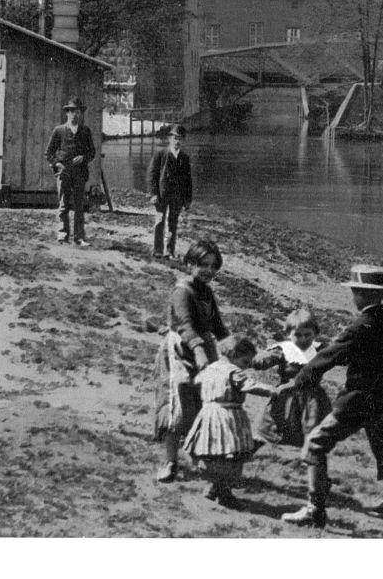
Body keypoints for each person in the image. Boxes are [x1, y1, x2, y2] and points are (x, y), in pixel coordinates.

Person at [281, 263, 383, 535]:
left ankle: (315, 509)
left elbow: (327, 357)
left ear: (360, 294)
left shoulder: (359, 326)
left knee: (316, 444)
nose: (353, 296)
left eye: (354, 291)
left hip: (355, 403)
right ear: (382, 294)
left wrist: (299, 381)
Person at [153, 238, 230, 482]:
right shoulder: (182, 291)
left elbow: (217, 326)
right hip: (180, 351)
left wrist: (234, 347)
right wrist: (198, 349)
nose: (208, 271)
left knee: (201, 402)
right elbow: (184, 324)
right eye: (203, 265)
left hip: (203, 350)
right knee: (175, 403)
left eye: (213, 266)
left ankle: (198, 454)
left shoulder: (206, 292)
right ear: (189, 264)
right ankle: (169, 460)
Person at [184, 335, 276, 507]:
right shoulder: (233, 372)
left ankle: (213, 487)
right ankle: (224, 493)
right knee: (231, 454)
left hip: (209, 414)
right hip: (228, 417)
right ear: (234, 354)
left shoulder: (209, 369)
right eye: (245, 361)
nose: (246, 366)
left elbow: (196, 382)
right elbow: (249, 385)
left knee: (215, 453)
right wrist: (272, 390)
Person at [252, 307, 329, 448]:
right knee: (268, 429)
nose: (303, 339)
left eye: (308, 335)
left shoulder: (320, 349)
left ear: (315, 333)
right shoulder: (284, 350)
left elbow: (338, 356)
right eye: (298, 335)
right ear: (289, 334)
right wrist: (262, 359)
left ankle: (304, 464)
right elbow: (262, 362)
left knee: (312, 438)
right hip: (286, 396)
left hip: (312, 399)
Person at [44, 98, 98, 245]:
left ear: (81, 114)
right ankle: (62, 235)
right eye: (72, 111)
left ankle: (79, 237)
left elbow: (92, 152)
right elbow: (48, 153)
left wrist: (83, 157)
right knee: (63, 205)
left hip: (80, 173)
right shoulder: (59, 130)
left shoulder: (85, 131)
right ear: (67, 113)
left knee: (79, 206)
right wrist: (57, 164)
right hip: (64, 173)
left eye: (78, 111)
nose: (75, 114)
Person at [148, 125, 195, 260]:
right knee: (159, 221)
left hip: (177, 196)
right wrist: (153, 194)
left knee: (173, 224)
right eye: (175, 138)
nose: (177, 141)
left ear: (183, 140)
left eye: (180, 138)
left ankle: (169, 251)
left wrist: (188, 199)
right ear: (169, 138)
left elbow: (188, 180)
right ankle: (157, 250)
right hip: (161, 195)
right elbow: (152, 175)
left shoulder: (184, 158)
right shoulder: (161, 154)